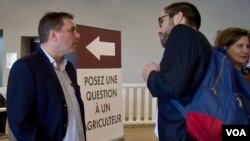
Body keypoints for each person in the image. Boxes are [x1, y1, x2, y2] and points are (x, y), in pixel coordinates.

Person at [6, 12, 86, 141]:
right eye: (72, 30)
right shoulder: (25, 68)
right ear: (53, 35)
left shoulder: (69, 67)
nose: (78, 35)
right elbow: (20, 123)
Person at [142, 2, 212, 141]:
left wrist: (150, 75)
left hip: (179, 130)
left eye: (161, 21)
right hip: (193, 128)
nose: (158, 29)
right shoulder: (201, 42)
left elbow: (173, 87)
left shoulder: (181, 31)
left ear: (178, 17)